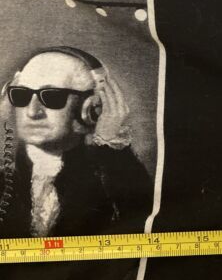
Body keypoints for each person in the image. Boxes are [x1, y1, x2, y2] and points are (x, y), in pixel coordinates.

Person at [0, 45, 152, 237]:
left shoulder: (111, 176)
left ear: (91, 107)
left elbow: (141, 221)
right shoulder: (5, 178)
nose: (32, 112)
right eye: (21, 95)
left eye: (52, 97)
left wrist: (111, 145)